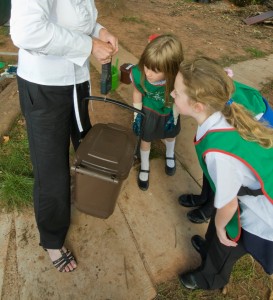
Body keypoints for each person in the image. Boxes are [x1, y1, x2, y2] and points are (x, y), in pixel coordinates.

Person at [10, 0, 118, 272]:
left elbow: (78, 19)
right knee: (52, 170)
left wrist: (100, 31)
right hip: (44, 87)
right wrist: (90, 46)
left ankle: (89, 195)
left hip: (76, 81)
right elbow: (26, 31)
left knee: (86, 145)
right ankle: (52, 239)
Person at [171, 56, 273, 290]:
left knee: (227, 240)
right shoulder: (220, 107)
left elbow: (228, 207)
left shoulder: (220, 153)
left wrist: (219, 226)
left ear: (198, 106)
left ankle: (210, 277)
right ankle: (208, 248)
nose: (172, 95)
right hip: (247, 192)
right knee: (218, 226)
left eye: (176, 92)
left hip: (263, 214)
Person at [178, 68, 273, 225]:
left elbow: (226, 174)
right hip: (229, 154)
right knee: (212, 170)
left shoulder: (221, 147)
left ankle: (210, 208)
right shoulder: (215, 101)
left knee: (222, 187)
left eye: (177, 92)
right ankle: (204, 198)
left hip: (253, 183)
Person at [131, 34, 184, 191]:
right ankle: (145, 166)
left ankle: (169, 153)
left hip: (169, 109)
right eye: (146, 66)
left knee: (170, 133)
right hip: (149, 110)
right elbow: (137, 92)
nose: (148, 73)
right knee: (145, 138)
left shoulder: (178, 78)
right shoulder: (139, 73)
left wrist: (174, 116)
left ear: (171, 69)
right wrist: (136, 116)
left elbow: (179, 98)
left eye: (155, 70)